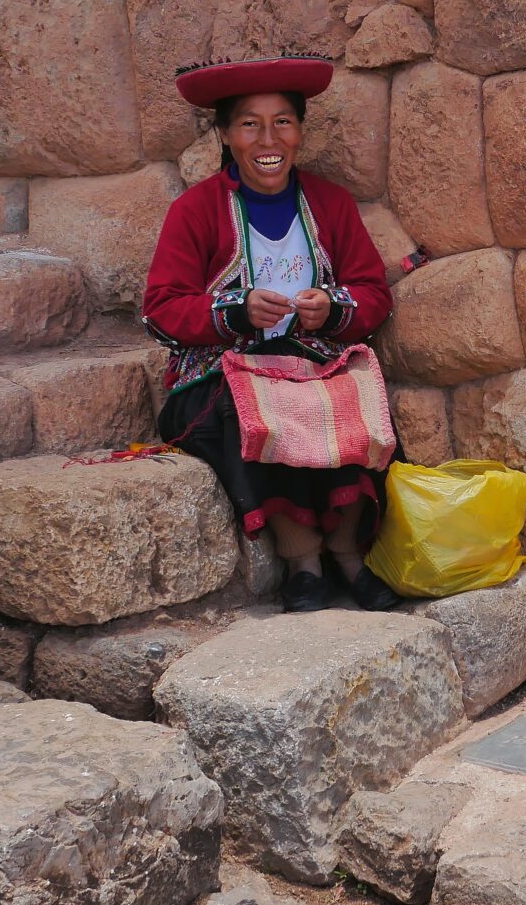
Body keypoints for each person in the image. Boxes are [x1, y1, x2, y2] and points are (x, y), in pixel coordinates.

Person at [142, 54, 401, 614]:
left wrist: (331, 308)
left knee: (355, 396)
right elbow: (162, 308)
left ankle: (349, 554)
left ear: (300, 131)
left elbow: (372, 292)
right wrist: (234, 312)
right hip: (221, 372)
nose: (268, 139)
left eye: (282, 121)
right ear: (226, 134)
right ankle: (302, 559)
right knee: (255, 409)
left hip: (312, 361)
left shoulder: (330, 204)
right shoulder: (195, 211)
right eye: (249, 124)